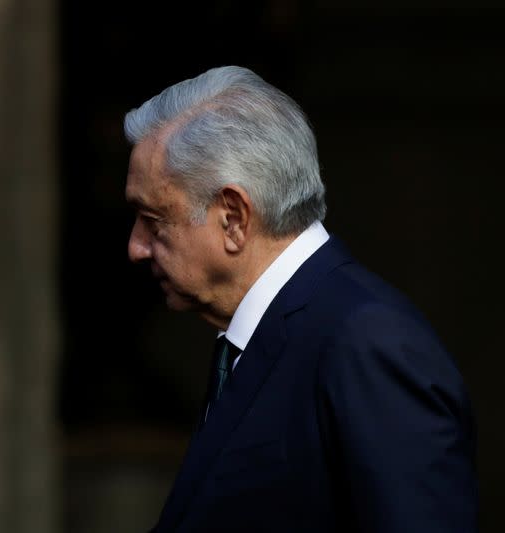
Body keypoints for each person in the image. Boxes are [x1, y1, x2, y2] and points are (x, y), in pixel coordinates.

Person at [123, 65, 477, 532]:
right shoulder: (261, 337)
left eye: (154, 220)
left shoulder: (367, 342)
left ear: (233, 218)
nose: (136, 246)